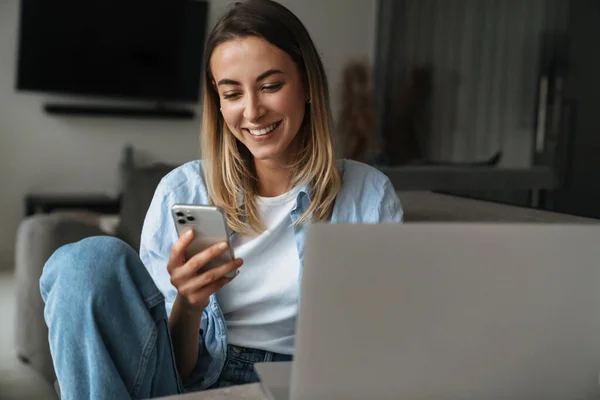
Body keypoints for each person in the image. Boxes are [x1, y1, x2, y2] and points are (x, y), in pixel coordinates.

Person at [40, 0, 403, 398]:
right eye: (232, 93)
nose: (252, 111)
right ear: (218, 100)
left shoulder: (367, 195)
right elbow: (168, 369)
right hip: (192, 383)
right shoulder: (182, 192)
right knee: (84, 262)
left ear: (309, 85)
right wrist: (189, 304)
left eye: (270, 86)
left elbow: (384, 342)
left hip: (308, 382)